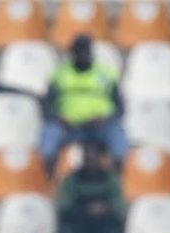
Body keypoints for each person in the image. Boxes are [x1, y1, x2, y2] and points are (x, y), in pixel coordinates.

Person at [39, 35, 128, 171]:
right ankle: (48, 181)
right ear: (72, 53)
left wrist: (105, 119)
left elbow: (120, 108)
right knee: (49, 136)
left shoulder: (105, 75)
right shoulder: (60, 75)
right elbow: (47, 107)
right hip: (68, 127)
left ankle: (116, 181)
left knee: (117, 139)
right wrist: (59, 118)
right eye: (79, 51)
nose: (83, 55)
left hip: (100, 126)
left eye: (86, 51)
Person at [54, 140, 130, 233]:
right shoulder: (71, 180)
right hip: (79, 226)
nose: (90, 162)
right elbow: (64, 207)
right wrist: (85, 210)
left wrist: (105, 209)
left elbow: (119, 206)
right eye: (87, 158)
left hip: (106, 226)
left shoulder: (110, 179)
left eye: (93, 158)